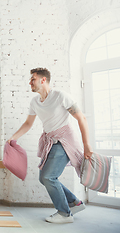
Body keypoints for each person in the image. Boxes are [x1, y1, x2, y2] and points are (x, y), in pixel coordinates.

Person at [8, 67, 93, 224]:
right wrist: (14, 137)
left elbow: (81, 118)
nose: (30, 82)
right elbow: (28, 123)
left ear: (43, 80)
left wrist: (87, 145)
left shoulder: (60, 96)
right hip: (51, 142)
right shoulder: (35, 102)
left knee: (48, 177)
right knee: (44, 177)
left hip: (65, 141)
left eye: (32, 79)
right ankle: (75, 203)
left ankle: (64, 214)